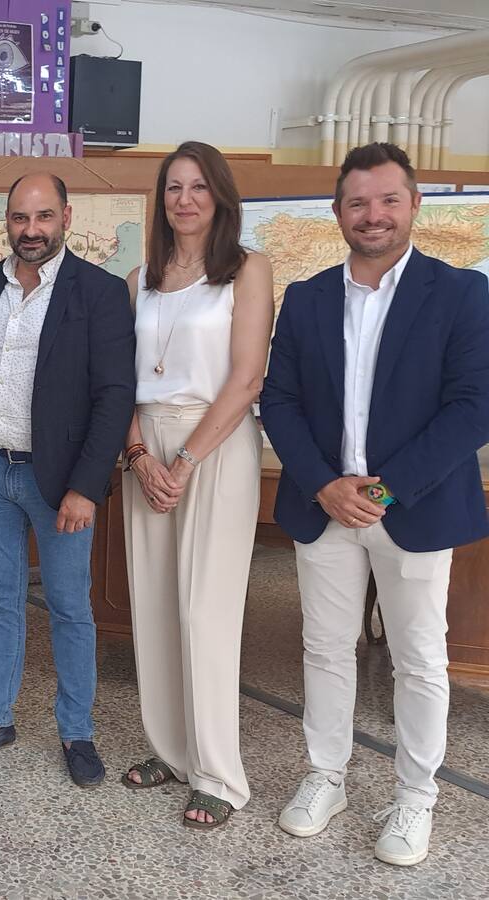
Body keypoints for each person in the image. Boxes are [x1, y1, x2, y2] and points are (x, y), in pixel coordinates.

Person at [261, 142, 489, 866]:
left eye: (389, 199)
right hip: (323, 506)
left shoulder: (461, 294)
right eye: (358, 202)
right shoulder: (307, 297)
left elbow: (473, 406)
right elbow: (279, 400)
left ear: (414, 204)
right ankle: (325, 777)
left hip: (412, 508)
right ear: (338, 212)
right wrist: (324, 484)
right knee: (325, 648)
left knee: (419, 660)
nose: (373, 214)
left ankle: (415, 797)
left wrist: (383, 492)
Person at [0, 173, 136, 786]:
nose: (31, 230)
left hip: (60, 484)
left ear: (66, 218)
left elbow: (114, 396)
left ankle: (77, 731)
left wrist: (87, 486)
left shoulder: (100, 291)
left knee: (69, 608)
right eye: (20, 218)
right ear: (7, 220)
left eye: (44, 217)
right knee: (0, 600)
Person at [119, 142, 273, 828]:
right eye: (174, 187)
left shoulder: (248, 270)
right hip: (145, 445)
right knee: (153, 604)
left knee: (204, 611)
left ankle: (218, 775)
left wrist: (183, 462)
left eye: (199, 187)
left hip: (213, 443)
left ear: (221, 197)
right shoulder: (139, 280)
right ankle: (172, 752)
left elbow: (246, 378)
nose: (185, 199)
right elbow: (117, 380)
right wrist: (136, 453)